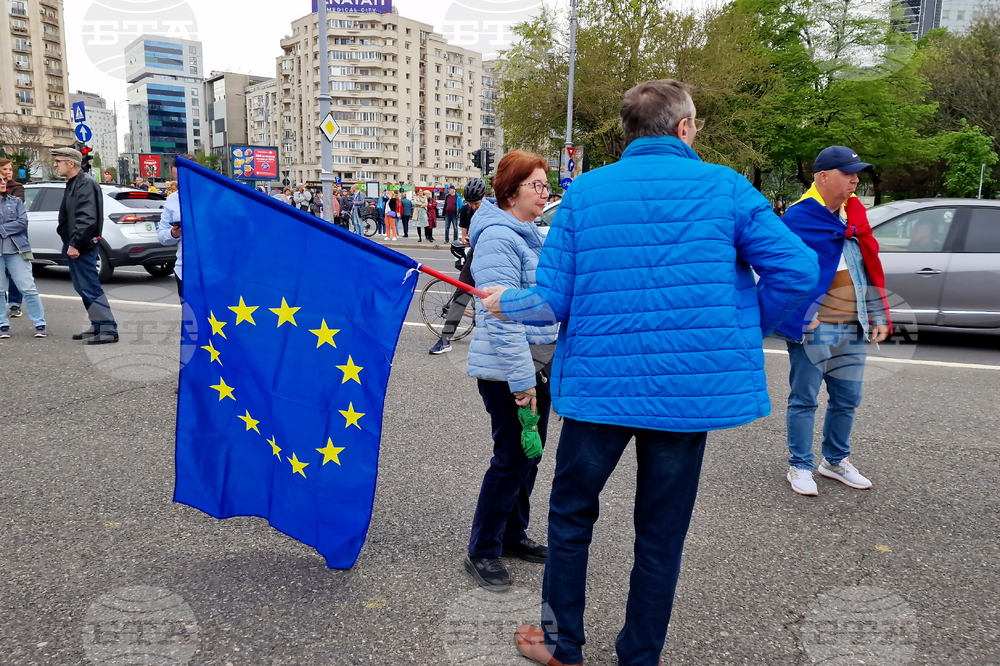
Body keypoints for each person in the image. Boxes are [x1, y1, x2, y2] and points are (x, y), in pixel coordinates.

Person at [480, 79, 818, 666]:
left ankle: (561, 644)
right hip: (685, 395)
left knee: (570, 518)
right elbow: (797, 268)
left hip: (598, 392)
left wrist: (502, 301)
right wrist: (741, 327)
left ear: (628, 131)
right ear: (684, 128)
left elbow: (551, 301)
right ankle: (640, 656)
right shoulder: (726, 187)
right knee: (661, 533)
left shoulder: (584, 193)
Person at [463, 152, 559, 591]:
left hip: (536, 367)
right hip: (510, 372)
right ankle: (483, 548)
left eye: (546, 185)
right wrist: (523, 385)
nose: (546, 193)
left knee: (530, 452)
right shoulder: (499, 238)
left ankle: (512, 535)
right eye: (537, 185)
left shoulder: (527, 234)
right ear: (511, 190)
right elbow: (499, 318)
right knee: (512, 457)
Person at [775, 146, 891, 497]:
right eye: (847, 173)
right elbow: (780, 273)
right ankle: (799, 465)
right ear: (823, 176)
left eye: (858, 173)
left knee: (848, 397)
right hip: (814, 326)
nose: (855, 179)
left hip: (852, 324)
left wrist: (878, 313)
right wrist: (797, 318)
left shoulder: (853, 216)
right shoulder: (797, 218)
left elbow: (868, 269)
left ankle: (835, 460)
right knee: (805, 398)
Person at [52, 147, 119, 345]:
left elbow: (87, 218)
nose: (55, 165)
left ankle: (108, 327)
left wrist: (75, 244)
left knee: (89, 285)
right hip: (76, 243)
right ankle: (98, 324)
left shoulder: (85, 183)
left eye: (58, 161)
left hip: (82, 245)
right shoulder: (75, 182)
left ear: (70, 163)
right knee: (82, 286)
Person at [429, 178, 488, 355]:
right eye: (471, 204)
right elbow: (464, 234)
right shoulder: (465, 210)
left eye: (476, 203)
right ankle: (445, 339)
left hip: (493, 256)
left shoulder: (494, 211)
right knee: (461, 292)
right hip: (475, 253)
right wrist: (467, 240)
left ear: (484, 197)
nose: (474, 207)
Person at [0, 173, 46, 339]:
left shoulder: (15, 201)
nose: (4, 182)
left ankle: (40, 323)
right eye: (0, 180)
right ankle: (2, 325)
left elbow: (22, 223)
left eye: (4, 179)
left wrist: (2, 230)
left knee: (28, 287)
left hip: (17, 250)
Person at [156, 154, 192, 298]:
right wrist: (173, 234)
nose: (181, 181)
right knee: (190, 319)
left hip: (214, 271)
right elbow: (161, 236)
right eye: (177, 177)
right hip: (184, 271)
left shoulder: (215, 197)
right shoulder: (172, 200)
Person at [0, 158, 24, 319]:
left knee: (16, 272)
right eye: (5, 169)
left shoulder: (17, 188)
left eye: (10, 169)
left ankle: (15, 304)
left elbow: (16, 214)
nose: (8, 172)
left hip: (15, 238)